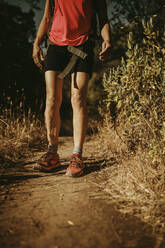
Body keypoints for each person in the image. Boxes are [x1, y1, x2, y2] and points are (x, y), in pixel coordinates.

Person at [32, 0, 111, 177]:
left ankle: (77, 156)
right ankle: (52, 154)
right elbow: (47, 17)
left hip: (83, 45)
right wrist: (37, 42)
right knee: (52, 98)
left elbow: (103, 17)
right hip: (55, 45)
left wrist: (107, 39)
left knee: (78, 98)